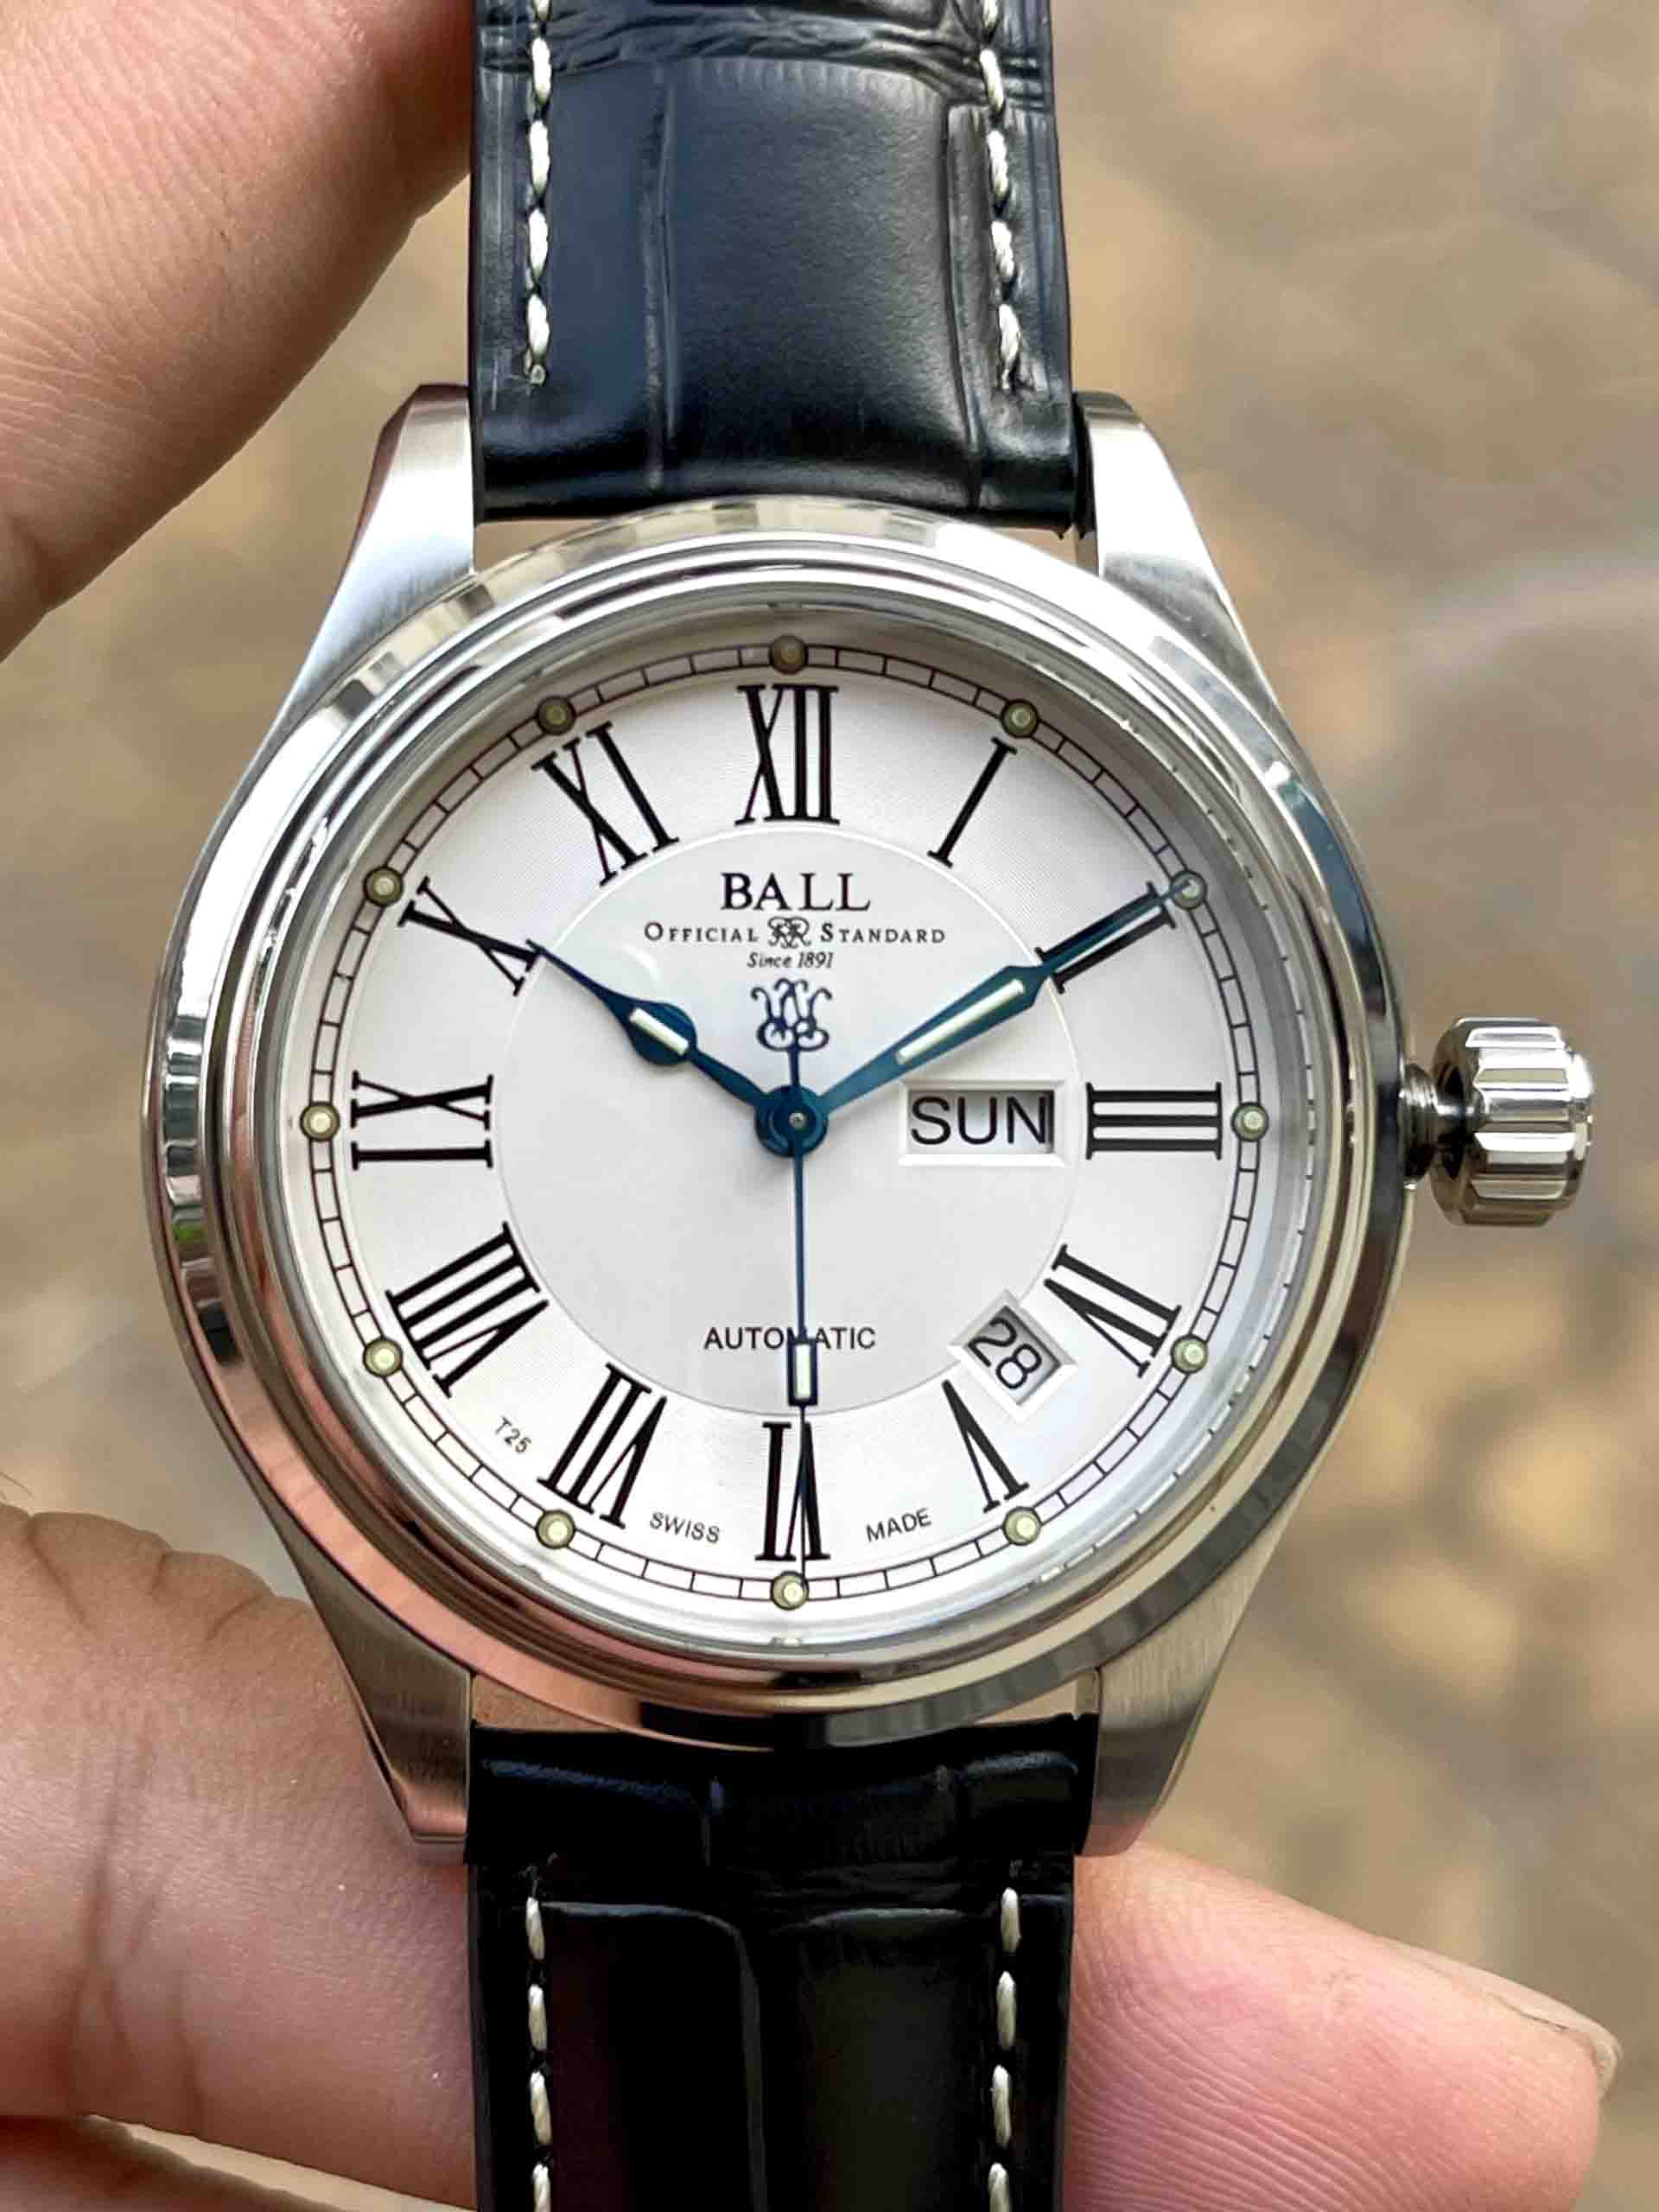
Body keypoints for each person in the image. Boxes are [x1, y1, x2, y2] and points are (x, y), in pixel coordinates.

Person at [0, 4, 1618, 2205]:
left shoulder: (484, 538)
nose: (795, 1107)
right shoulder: (498, 527)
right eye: (774, 1086)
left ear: (1425, 1124)